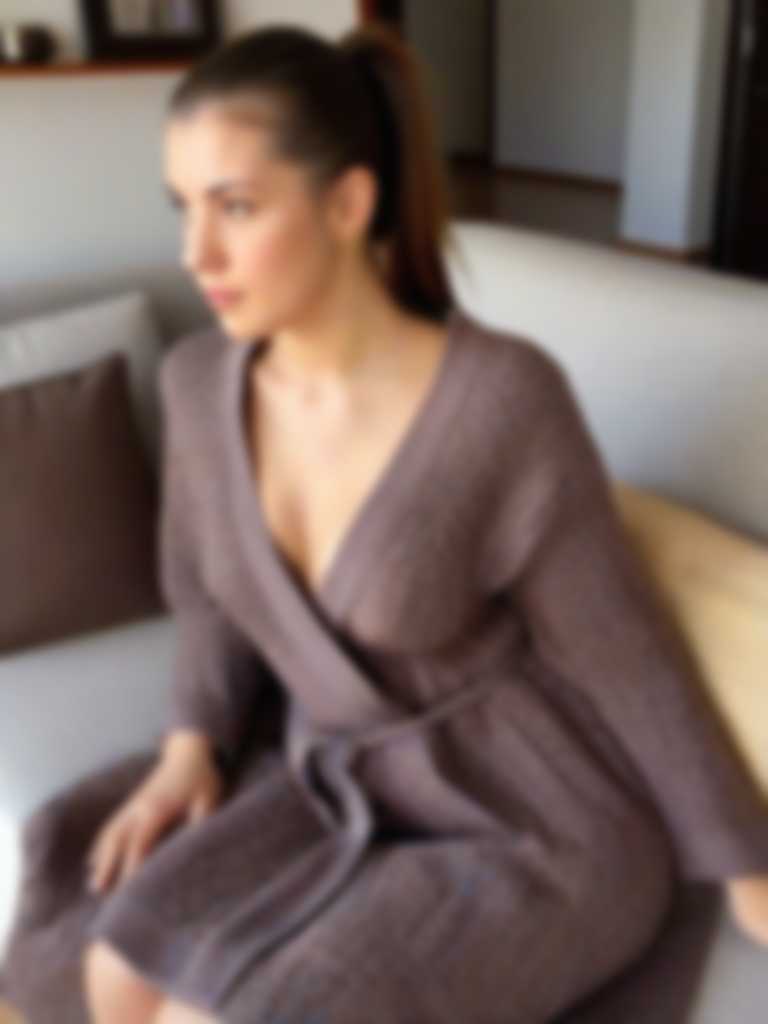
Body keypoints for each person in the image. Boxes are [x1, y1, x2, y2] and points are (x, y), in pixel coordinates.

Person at [2, 21, 768, 1024]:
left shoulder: (501, 400)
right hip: (333, 776)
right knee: (112, 970)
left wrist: (747, 866)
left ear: (348, 203)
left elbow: (623, 651)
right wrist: (192, 745)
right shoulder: (196, 385)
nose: (195, 253)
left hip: (532, 816)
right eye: (183, 208)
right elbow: (209, 600)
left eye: (236, 207)